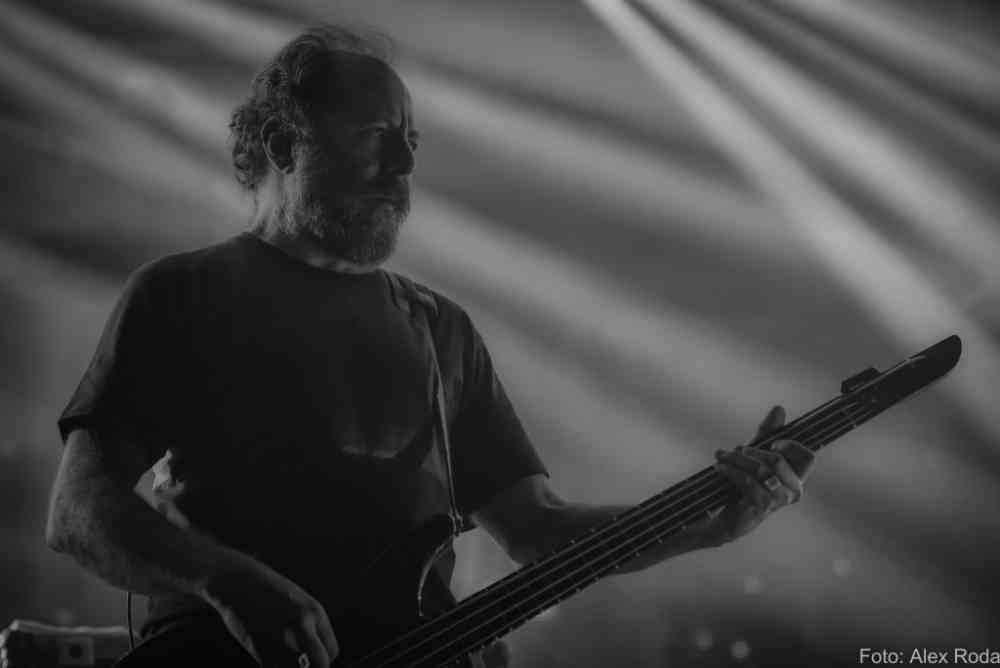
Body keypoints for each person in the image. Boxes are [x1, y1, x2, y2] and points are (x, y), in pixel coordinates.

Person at [44, 25, 814, 668]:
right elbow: (79, 511)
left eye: (412, 141)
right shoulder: (183, 293)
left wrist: (707, 526)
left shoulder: (441, 329)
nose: (407, 165)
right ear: (283, 143)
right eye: (379, 135)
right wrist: (228, 582)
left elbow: (540, 531)